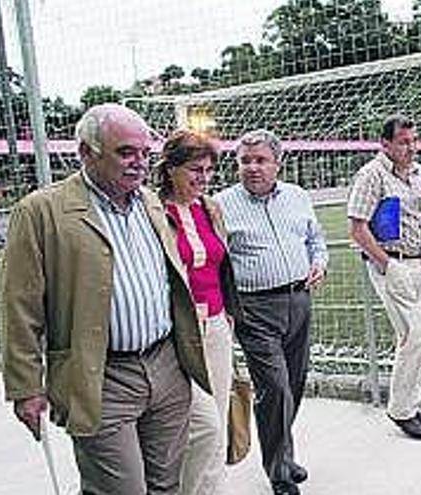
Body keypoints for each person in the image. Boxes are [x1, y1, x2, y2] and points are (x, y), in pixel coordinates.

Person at [1, 103, 211, 495]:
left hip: (166, 367)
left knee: (166, 485)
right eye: (125, 152)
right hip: (101, 376)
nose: (139, 163)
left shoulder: (149, 202)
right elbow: (21, 305)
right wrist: (26, 387)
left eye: (145, 153)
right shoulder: (40, 212)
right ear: (86, 152)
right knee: (120, 490)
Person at [215, 129, 328, 495]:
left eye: (260, 160)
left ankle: (284, 453)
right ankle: (278, 471)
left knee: (294, 385)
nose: (252, 167)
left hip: (299, 301)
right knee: (275, 388)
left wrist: (319, 261)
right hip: (254, 309)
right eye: (245, 161)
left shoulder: (297, 196)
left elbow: (315, 238)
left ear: (277, 163)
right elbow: (214, 262)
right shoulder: (220, 205)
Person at [155, 129, 243, 495]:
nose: (203, 178)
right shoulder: (154, 213)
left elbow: (221, 264)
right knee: (202, 427)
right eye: (195, 169)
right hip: (180, 334)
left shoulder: (210, 208)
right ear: (170, 168)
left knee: (217, 422)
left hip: (218, 326)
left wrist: (229, 317)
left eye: (209, 170)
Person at [346, 114, 421, 440]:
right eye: (403, 141)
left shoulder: (419, 173)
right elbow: (358, 229)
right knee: (415, 336)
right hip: (394, 264)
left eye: (414, 140)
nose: (411, 147)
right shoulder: (371, 176)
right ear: (385, 144)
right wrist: (388, 264)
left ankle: (411, 405)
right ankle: (400, 411)